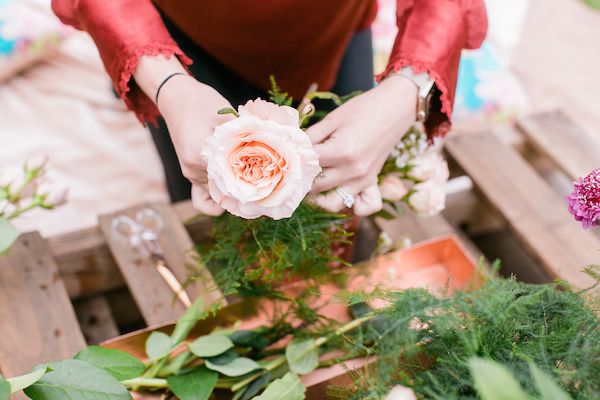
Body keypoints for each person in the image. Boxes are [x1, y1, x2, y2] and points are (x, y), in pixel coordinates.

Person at [51, 0, 487, 216]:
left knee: (341, 200)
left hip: (331, 33)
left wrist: (405, 90)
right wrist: (166, 83)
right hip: (180, 38)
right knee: (206, 200)